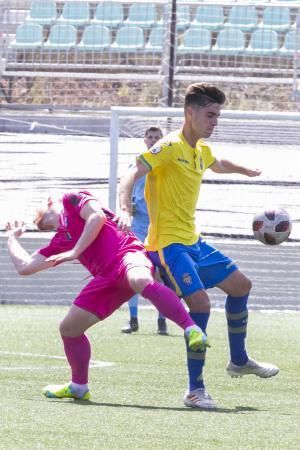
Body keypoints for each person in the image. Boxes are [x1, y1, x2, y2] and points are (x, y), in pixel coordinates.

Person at [117, 83, 279, 410]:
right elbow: (132, 173)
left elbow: (217, 163)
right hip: (167, 245)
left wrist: (245, 170)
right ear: (190, 113)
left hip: (193, 241)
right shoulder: (168, 146)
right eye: (210, 114)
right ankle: (195, 389)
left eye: (217, 115)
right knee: (201, 305)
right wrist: (123, 208)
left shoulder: (200, 149)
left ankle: (239, 360)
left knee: (240, 286)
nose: (214, 121)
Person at [6, 189, 209, 401]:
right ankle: (78, 387)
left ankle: (191, 329)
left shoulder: (70, 199)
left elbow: (97, 217)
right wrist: (11, 238)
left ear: (49, 201)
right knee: (69, 328)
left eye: (35, 211)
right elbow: (25, 266)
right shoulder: (60, 240)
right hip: (106, 279)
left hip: (128, 254)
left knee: (139, 280)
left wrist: (75, 251)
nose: (33, 218)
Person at [122, 126, 168, 335]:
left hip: (161, 225)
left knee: (161, 273)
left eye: (157, 137)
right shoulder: (137, 163)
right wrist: (127, 206)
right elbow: (127, 186)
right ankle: (133, 319)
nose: (153, 140)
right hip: (139, 224)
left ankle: (162, 320)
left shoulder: (167, 163)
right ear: (144, 140)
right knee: (135, 270)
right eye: (150, 137)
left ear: (162, 140)